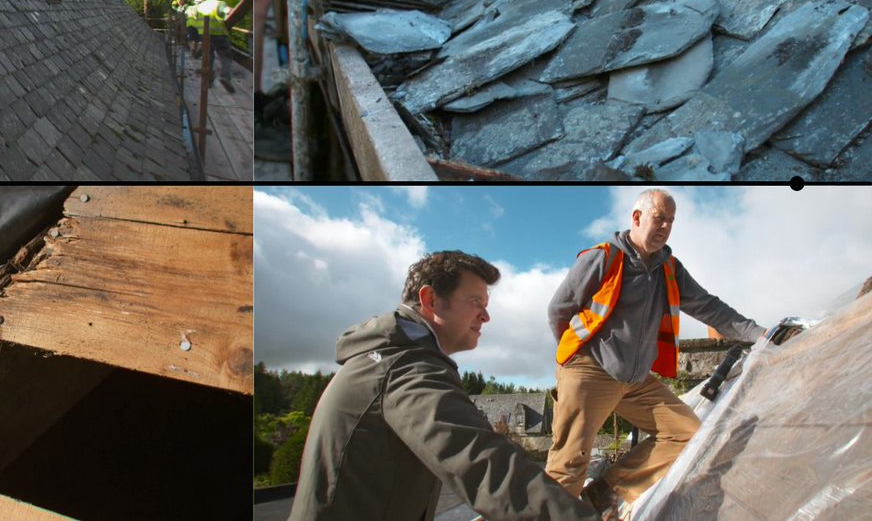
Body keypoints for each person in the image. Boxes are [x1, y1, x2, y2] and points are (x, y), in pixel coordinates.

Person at [290, 250, 599, 521]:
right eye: (476, 302)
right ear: (430, 300)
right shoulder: (404, 366)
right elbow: (484, 466)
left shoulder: (394, 358)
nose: (486, 316)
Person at [546, 189, 766, 518]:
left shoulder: (670, 268)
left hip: (635, 380)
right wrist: (577, 359)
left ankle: (603, 493)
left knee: (685, 433)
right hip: (590, 370)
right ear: (637, 218)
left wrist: (760, 334)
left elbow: (709, 307)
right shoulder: (603, 258)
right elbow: (558, 310)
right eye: (659, 218)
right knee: (570, 463)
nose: (665, 227)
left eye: (671, 221)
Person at [196, 0, 235, 93]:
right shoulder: (220, 4)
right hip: (219, 34)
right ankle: (225, 77)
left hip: (204, 35)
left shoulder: (200, 6)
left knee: (208, 57)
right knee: (225, 56)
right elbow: (228, 11)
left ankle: (208, 80)